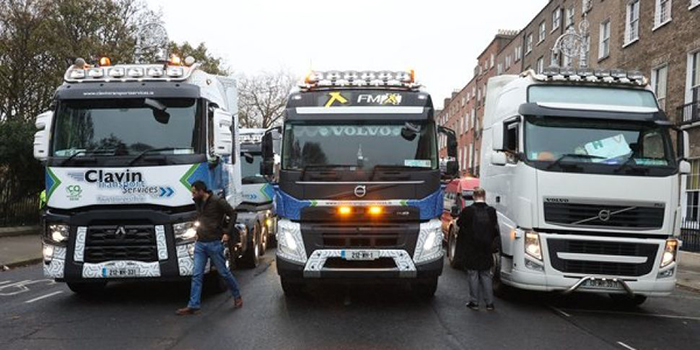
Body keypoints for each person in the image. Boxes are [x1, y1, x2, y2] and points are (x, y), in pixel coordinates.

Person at [177, 181, 242, 315]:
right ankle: (193, 305)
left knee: (223, 272)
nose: (192, 195)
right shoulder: (198, 201)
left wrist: (227, 233)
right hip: (200, 243)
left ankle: (237, 296)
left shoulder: (218, 201)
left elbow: (233, 214)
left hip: (214, 243)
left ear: (202, 191)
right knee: (196, 274)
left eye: (194, 192)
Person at [456, 187, 500, 311]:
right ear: (484, 197)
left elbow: (459, 224)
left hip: (471, 247)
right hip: (486, 247)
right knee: (486, 274)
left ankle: (474, 302)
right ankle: (489, 303)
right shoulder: (491, 211)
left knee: (473, 274)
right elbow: (495, 229)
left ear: (474, 197)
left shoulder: (468, 211)